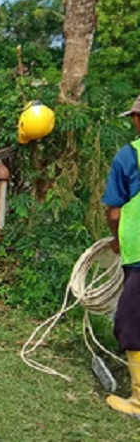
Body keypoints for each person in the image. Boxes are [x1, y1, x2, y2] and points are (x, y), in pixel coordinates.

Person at [103, 94, 140, 417]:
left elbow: (114, 212)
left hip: (139, 255)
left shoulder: (129, 156)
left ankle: (139, 400)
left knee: (131, 323)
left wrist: (115, 241)